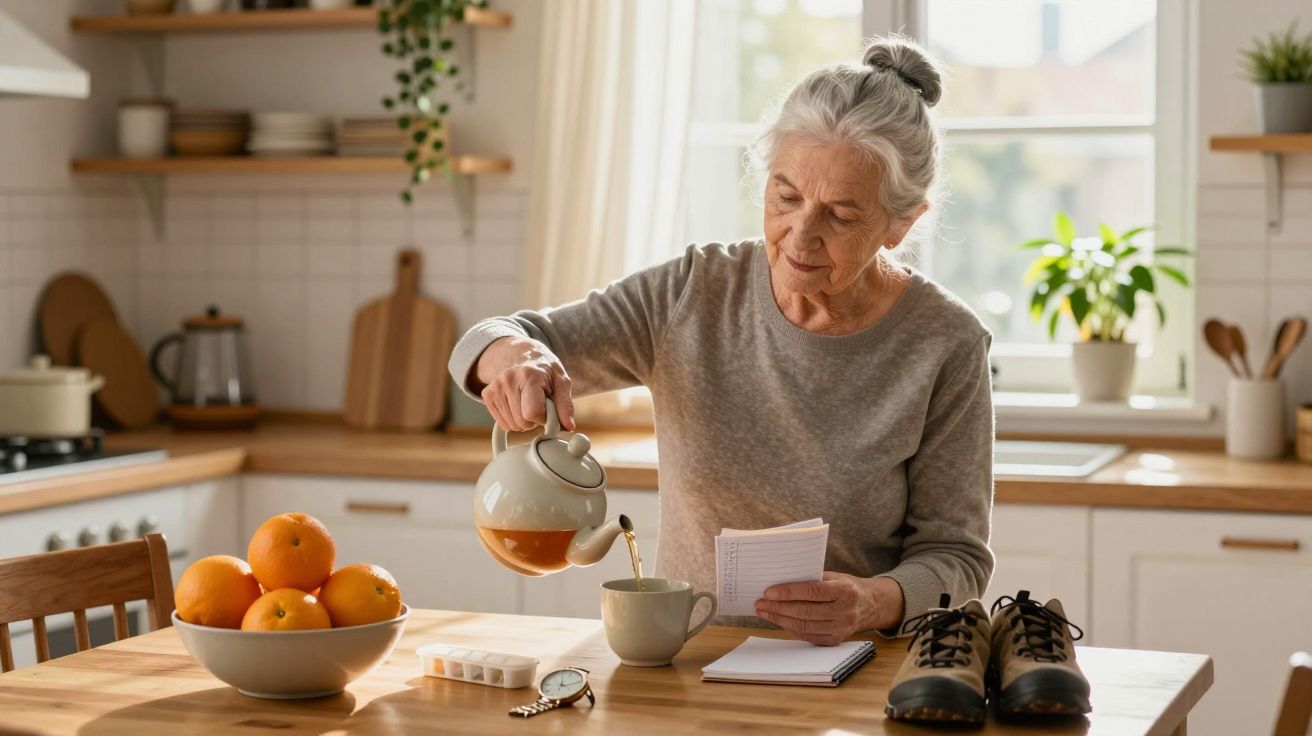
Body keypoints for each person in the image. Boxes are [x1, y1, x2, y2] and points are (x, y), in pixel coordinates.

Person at [449, 36, 994, 645]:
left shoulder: (947, 342)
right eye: (786, 197)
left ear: (902, 224)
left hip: (852, 668)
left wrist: (873, 602)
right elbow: (490, 337)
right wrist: (515, 355)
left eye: (841, 216)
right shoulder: (694, 292)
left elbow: (956, 558)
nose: (800, 235)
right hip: (685, 662)